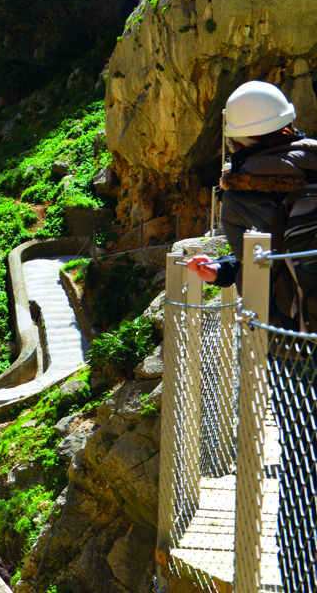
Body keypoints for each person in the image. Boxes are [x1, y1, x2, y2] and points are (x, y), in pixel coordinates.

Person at [185, 80, 317, 592]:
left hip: (291, 338)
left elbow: (255, 265)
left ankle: (299, 562)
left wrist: (220, 272)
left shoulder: (242, 191)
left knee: (302, 450)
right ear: (286, 123)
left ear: (239, 138)